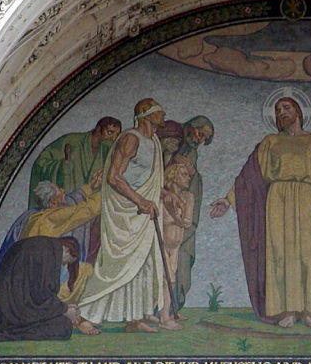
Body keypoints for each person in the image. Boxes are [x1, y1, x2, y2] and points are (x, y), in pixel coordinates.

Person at [210, 94, 311, 327]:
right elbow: (249, 175)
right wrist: (228, 200)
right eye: (277, 110)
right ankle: (285, 310)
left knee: (308, 253)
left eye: (286, 107)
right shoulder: (270, 142)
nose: (281, 113)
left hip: (307, 198)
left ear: (298, 110)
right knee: (280, 254)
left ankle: (308, 310)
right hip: (277, 199)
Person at [78, 99, 167, 332]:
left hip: (143, 210)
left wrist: (164, 195)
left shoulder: (154, 141)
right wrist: (140, 200)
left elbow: (148, 179)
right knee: (117, 264)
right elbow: (114, 177)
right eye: (159, 112)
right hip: (125, 209)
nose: (163, 115)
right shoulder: (130, 139)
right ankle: (85, 313)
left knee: (143, 263)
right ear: (145, 115)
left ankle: (134, 317)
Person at [0, 236, 101, 341]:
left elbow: (37, 295)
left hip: (7, 309)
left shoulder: (43, 246)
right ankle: (5, 335)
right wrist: (64, 310)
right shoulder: (48, 253)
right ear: (67, 250)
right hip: (13, 316)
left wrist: (65, 309)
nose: (63, 264)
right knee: (63, 327)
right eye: (68, 261)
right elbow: (41, 296)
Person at [156, 115, 215, 309]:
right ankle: (156, 309)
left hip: (177, 223)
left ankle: (172, 306)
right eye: (200, 134)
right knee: (160, 268)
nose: (199, 140)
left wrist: (192, 173)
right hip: (161, 217)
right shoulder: (170, 135)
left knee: (174, 269)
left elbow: (191, 183)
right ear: (190, 127)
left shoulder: (191, 152)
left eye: (204, 139)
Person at [28, 116, 121, 208]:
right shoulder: (71, 141)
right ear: (98, 129)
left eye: (117, 135)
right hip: (64, 204)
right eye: (110, 132)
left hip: (87, 208)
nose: (113, 138)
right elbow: (40, 164)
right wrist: (64, 166)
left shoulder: (107, 151)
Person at [159, 156, 196, 329]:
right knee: (165, 279)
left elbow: (187, 222)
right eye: (184, 174)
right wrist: (175, 214)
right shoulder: (162, 196)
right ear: (173, 176)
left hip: (176, 244)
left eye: (188, 175)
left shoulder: (188, 197)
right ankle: (164, 317)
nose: (188, 178)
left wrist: (174, 213)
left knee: (170, 279)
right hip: (160, 244)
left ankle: (167, 314)